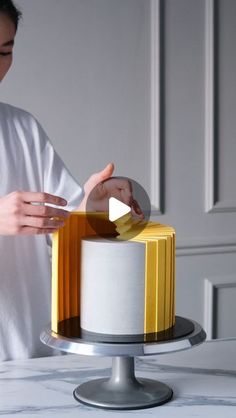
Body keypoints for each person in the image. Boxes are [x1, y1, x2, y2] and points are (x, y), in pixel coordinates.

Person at [0, 0, 142, 361]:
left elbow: (63, 228)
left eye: (4, 51)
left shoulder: (23, 128)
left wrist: (93, 207)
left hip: (32, 356)